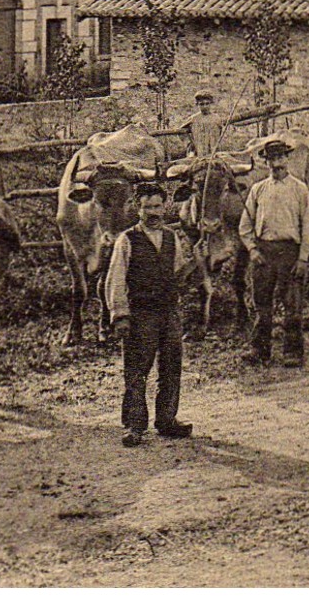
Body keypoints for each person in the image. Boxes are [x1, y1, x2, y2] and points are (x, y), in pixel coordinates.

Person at [105, 185, 192, 447]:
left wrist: (197, 262)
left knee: (171, 367)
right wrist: (120, 315)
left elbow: (179, 275)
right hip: (141, 313)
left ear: (165, 207)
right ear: (137, 208)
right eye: (147, 207)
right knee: (137, 369)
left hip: (168, 311)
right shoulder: (127, 240)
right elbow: (115, 279)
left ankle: (167, 420)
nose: (153, 212)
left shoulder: (171, 238)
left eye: (157, 206)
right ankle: (135, 425)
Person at [238, 139, 309, 368]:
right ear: (266, 162)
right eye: (272, 159)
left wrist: (303, 258)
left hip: (290, 252)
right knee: (262, 304)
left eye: (280, 157)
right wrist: (252, 250)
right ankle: (260, 350)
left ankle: (293, 351)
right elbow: (245, 225)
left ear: (288, 159)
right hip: (264, 252)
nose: (276, 163)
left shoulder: (300, 189)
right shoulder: (258, 189)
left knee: (292, 304)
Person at [174, 91, 228, 157]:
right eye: (202, 104)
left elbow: (222, 133)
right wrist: (190, 144)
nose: (205, 107)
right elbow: (181, 131)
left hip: (214, 152)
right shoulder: (194, 118)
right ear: (197, 105)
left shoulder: (216, 118)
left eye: (207, 104)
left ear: (211, 104)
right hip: (199, 152)